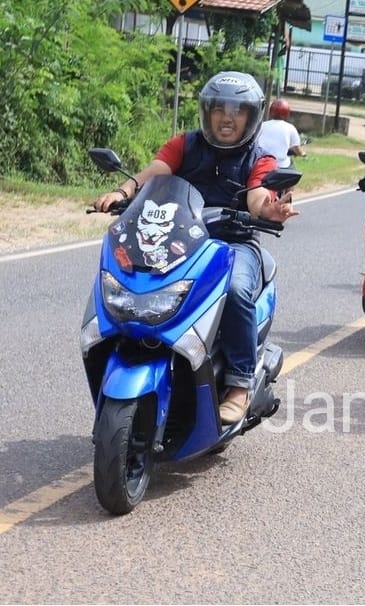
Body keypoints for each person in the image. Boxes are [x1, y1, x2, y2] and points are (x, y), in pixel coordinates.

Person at [93, 71, 300, 425]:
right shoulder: (184, 145)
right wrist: (122, 193)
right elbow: (153, 176)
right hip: (181, 241)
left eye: (237, 110)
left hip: (233, 244)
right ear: (207, 111)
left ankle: (239, 382)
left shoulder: (260, 158)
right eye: (219, 108)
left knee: (235, 290)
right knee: (132, 276)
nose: (227, 117)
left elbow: (257, 196)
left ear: (252, 117)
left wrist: (269, 208)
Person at [258, 98, 306, 169]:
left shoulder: (262, 125)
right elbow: (296, 149)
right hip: (281, 164)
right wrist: (303, 154)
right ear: (287, 113)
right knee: (292, 169)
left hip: (261, 162)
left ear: (270, 112)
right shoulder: (290, 128)